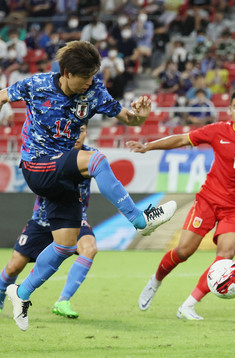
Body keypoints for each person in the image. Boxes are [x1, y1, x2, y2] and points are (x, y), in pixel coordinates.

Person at [0, 40, 177, 331]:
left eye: (93, 75)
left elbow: (128, 119)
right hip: (37, 165)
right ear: (66, 72)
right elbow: (3, 96)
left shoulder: (94, 90)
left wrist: (140, 117)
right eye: (84, 77)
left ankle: (20, 294)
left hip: (64, 176)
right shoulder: (37, 84)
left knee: (66, 245)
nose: (89, 82)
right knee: (96, 160)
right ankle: (139, 219)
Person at [126, 88, 235, 320]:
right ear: (230, 110)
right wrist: (148, 146)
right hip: (209, 200)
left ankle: (188, 305)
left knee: (226, 254)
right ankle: (155, 281)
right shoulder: (217, 131)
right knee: (183, 251)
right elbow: (182, 139)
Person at [0, 125, 94, 318]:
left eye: (82, 130)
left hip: (74, 219)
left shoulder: (92, 156)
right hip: (43, 220)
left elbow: (105, 175)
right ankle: (1, 294)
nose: (77, 135)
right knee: (15, 266)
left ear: (87, 133)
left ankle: (63, 301)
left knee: (89, 248)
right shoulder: (53, 153)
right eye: (74, 129)